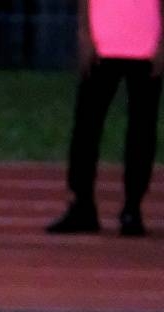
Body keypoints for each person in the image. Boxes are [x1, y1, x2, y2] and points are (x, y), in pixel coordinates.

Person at [46, 0, 163, 237]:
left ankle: (132, 208)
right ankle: (82, 205)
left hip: (146, 44)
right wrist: (85, 33)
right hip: (102, 44)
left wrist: (162, 43)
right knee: (86, 128)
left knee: (141, 131)